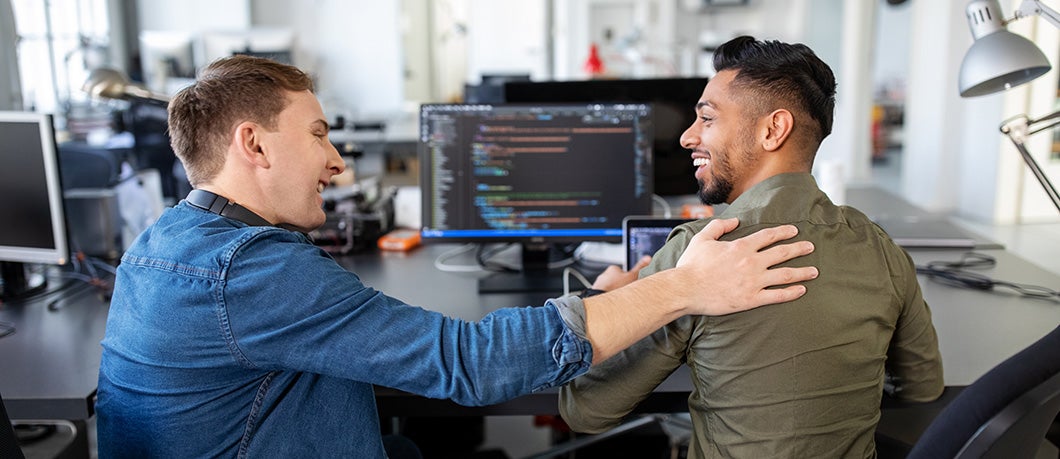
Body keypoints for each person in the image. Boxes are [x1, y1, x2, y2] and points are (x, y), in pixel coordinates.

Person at [94, 55, 820, 458]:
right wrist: (683, 287)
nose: (337, 161)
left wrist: (604, 301)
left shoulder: (167, 242)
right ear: (252, 144)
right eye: (317, 134)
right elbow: (467, 364)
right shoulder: (251, 272)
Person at [559, 36, 944, 458]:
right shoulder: (880, 247)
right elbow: (922, 386)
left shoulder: (700, 252)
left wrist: (602, 297)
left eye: (707, 119)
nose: (687, 137)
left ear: (772, 130)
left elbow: (585, 409)